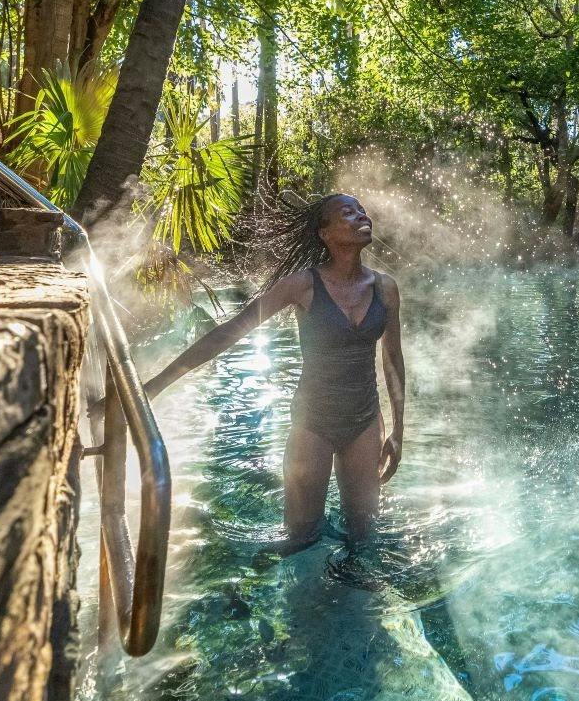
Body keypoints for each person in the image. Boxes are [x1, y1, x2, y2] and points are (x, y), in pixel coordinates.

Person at [145, 193, 405, 552]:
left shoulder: (385, 288)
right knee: (300, 536)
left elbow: (393, 360)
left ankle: (356, 600)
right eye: (348, 212)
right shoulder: (303, 285)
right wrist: (154, 385)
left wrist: (398, 430)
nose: (362, 215)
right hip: (313, 424)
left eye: (362, 209)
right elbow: (229, 332)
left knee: (364, 534)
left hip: (364, 422)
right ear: (325, 233)